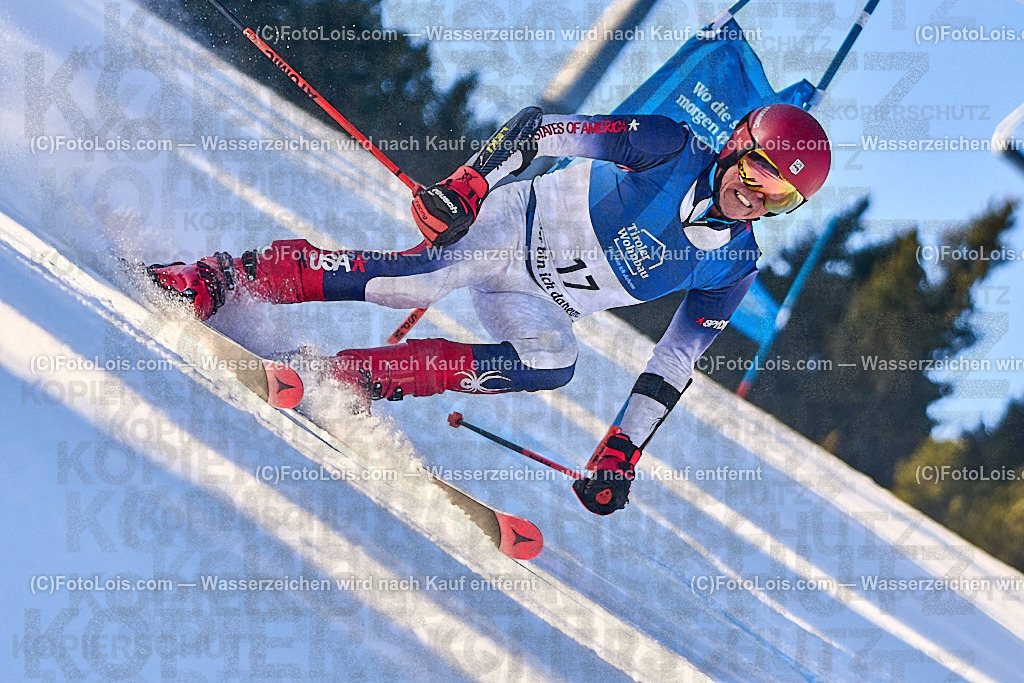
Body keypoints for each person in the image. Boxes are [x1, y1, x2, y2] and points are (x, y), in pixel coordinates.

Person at [149, 103, 831, 515]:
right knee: (410, 285)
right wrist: (469, 184)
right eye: (757, 173)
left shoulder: (734, 264)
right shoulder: (669, 145)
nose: (757, 198)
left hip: (538, 300)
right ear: (738, 144)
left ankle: (349, 375)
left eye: (781, 199)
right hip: (511, 229)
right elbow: (542, 131)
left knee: (554, 361)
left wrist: (622, 448)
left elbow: (675, 359)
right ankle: (221, 277)